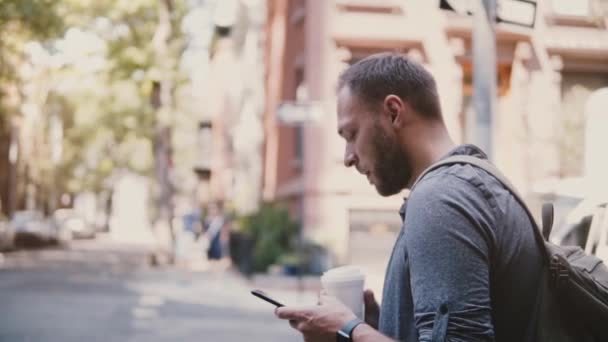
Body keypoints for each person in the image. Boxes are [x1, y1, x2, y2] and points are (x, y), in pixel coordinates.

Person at [275, 53, 543, 341]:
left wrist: (349, 331)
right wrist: (387, 324)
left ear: (393, 112)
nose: (348, 158)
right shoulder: (475, 181)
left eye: (352, 133)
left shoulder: (441, 200)